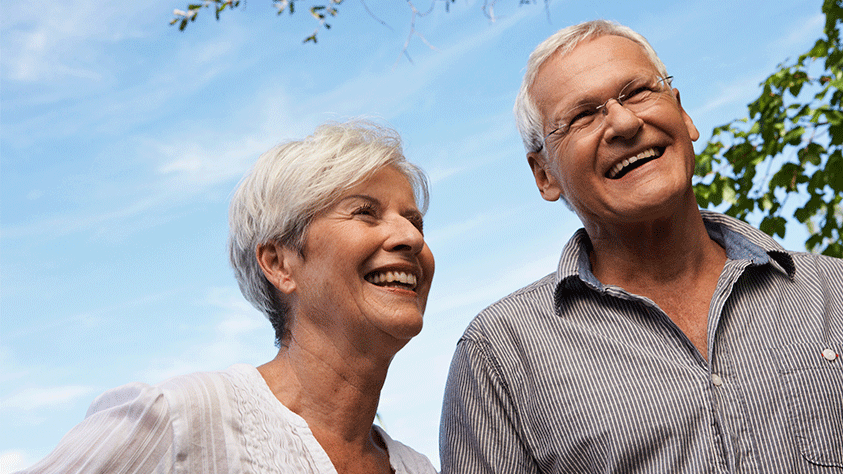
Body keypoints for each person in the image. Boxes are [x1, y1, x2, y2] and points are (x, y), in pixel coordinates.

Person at [440, 19, 843, 473]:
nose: (625, 123)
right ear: (544, 175)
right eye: (583, 115)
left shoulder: (835, 291)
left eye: (636, 92)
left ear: (683, 114)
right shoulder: (499, 357)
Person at [18, 120, 438, 474]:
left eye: (414, 220)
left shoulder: (418, 468)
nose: (410, 237)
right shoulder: (180, 420)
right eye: (365, 212)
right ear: (279, 263)